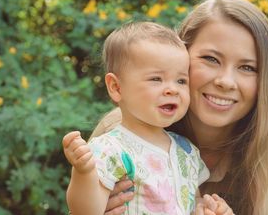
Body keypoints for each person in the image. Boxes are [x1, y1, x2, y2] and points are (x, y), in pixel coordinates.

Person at [91, 0, 268, 215]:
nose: (225, 81)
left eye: (248, 68)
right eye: (211, 59)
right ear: (181, 55)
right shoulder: (118, 136)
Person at [63, 22, 233, 215]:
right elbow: (85, 211)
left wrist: (206, 208)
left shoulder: (186, 150)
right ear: (116, 88)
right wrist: (84, 173)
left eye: (181, 80)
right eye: (156, 79)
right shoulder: (110, 149)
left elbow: (189, 202)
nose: (172, 89)